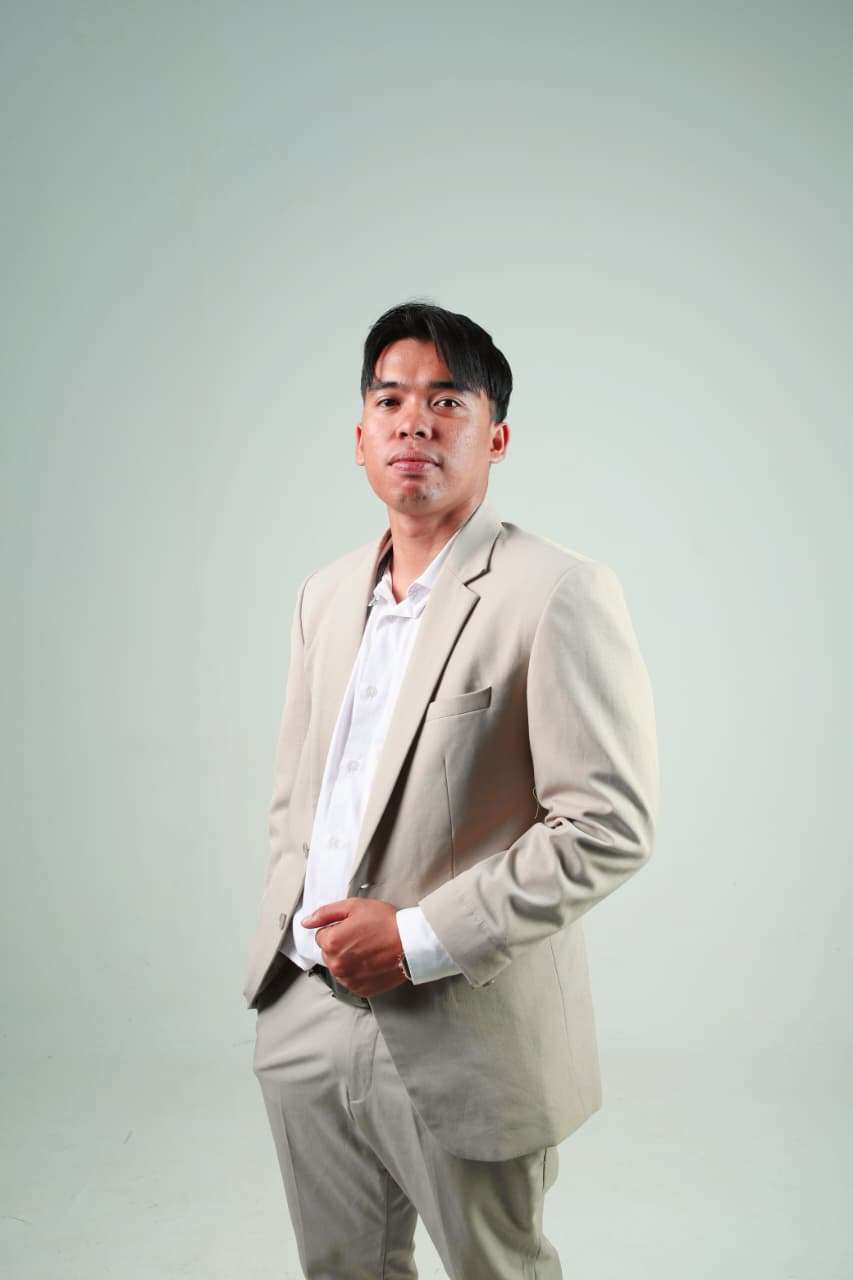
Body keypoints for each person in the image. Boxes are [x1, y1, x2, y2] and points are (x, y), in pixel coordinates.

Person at [244, 299, 660, 1279]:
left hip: (463, 1025)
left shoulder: (555, 591)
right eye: (389, 400)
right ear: (359, 436)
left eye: (445, 400)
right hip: (304, 1013)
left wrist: (414, 938)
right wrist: (287, 952)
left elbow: (606, 825)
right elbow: (296, 798)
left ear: (495, 436)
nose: (413, 423)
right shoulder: (323, 594)